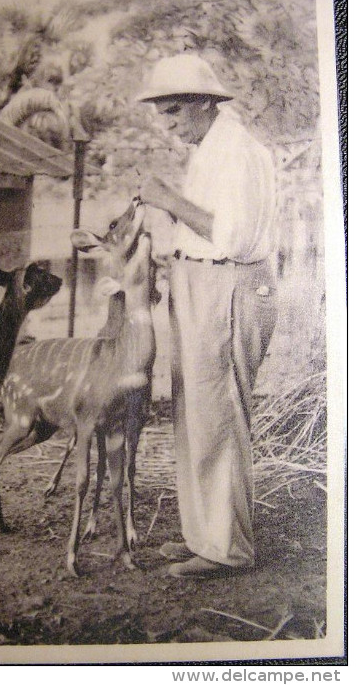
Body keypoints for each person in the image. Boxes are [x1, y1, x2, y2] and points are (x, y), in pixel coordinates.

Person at [137, 53, 278, 577]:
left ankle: (228, 549)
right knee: (195, 411)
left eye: (173, 112)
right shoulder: (209, 147)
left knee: (218, 414)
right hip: (199, 280)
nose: (168, 125)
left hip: (229, 285)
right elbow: (204, 231)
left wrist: (168, 200)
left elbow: (235, 240)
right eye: (162, 115)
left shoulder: (238, 150)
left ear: (203, 103)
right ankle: (204, 535)